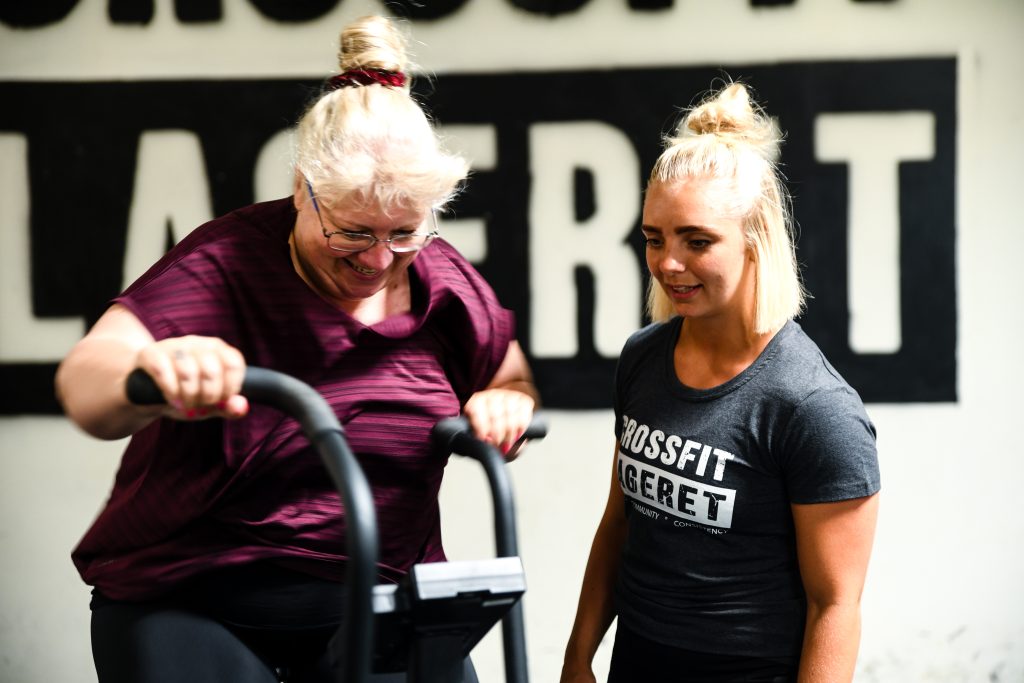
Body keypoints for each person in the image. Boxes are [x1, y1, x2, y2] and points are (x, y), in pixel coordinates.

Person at [55, 15, 537, 683]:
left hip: (379, 601)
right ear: (303, 188)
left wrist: (505, 404)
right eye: (351, 232)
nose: (377, 258)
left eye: (404, 231)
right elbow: (86, 383)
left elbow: (511, 379)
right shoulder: (229, 261)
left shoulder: (442, 280)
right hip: (195, 598)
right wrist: (152, 370)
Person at [560, 82, 880, 683]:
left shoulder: (815, 407)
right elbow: (620, 522)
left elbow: (835, 605)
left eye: (697, 241)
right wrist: (579, 655)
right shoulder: (642, 358)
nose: (667, 263)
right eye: (655, 238)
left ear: (756, 238)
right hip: (637, 659)